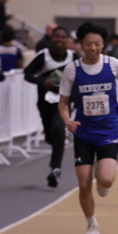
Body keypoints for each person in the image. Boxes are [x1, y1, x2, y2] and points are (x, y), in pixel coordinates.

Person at [58, 22, 118, 234]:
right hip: (83, 132)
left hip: (108, 130)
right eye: (89, 44)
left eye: (97, 44)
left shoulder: (113, 65)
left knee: (107, 180)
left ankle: (102, 178)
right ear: (81, 44)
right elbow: (62, 103)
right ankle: (91, 224)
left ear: (103, 44)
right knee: (83, 183)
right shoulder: (72, 69)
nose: (93, 48)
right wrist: (67, 121)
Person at [24, 26, 75, 187]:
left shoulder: (73, 57)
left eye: (62, 37)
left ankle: (55, 169)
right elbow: (27, 74)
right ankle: (56, 145)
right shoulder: (43, 56)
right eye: (56, 36)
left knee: (59, 129)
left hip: (63, 102)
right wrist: (42, 81)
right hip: (45, 101)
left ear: (67, 40)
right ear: (51, 38)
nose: (59, 40)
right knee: (50, 135)